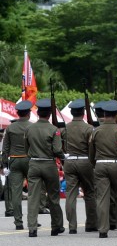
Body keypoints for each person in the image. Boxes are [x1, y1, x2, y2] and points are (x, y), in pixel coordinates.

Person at [89, 100, 117, 238]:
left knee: (102, 198)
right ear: (116, 115)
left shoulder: (96, 131)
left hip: (100, 164)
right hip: (116, 164)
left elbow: (91, 152)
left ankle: (103, 229)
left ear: (105, 114)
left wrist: (95, 163)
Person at [24, 98, 65, 237]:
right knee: (53, 197)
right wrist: (64, 157)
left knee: (33, 197)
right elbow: (58, 150)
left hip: (34, 164)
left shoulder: (29, 128)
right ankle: (56, 226)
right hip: (49, 164)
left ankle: (32, 228)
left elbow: (26, 148)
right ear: (49, 115)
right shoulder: (54, 129)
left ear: (38, 114)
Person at [63, 99, 97, 234]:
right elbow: (93, 147)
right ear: (83, 113)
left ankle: (72, 226)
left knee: (70, 194)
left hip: (70, 161)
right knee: (90, 193)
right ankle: (91, 223)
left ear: (71, 112)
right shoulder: (89, 128)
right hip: (85, 161)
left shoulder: (65, 128)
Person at [1, 100, 33, 230]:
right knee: (33, 191)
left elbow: (5, 149)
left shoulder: (10, 128)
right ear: (29, 114)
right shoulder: (32, 126)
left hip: (14, 160)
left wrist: (4, 165)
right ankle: (32, 219)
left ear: (18, 113)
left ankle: (18, 222)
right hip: (30, 160)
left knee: (16, 192)